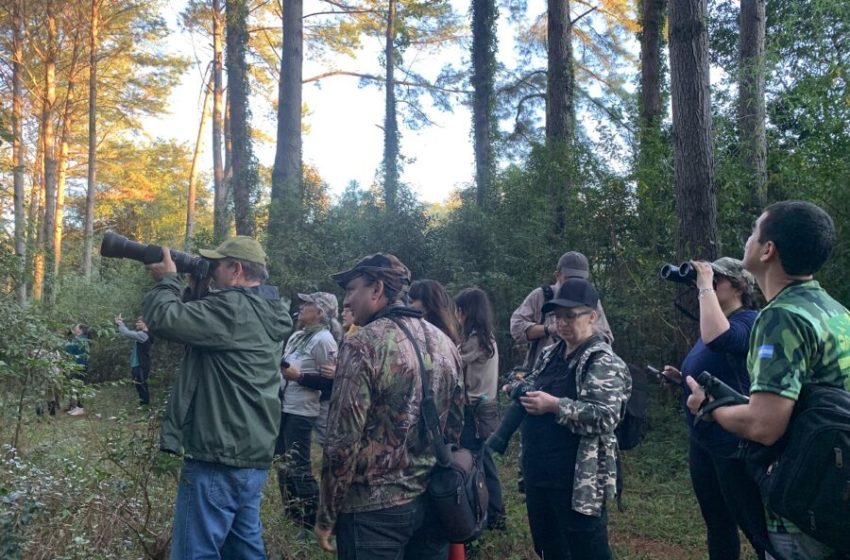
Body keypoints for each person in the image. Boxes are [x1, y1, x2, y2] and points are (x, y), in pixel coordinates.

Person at [686, 201, 850, 560]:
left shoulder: (780, 319)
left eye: (753, 232)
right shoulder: (837, 312)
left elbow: (765, 426)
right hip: (838, 490)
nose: (747, 240)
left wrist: (709, 408)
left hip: (803, 505)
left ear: (767, 250)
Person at [143, 236, 292, 560]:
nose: (211, 273)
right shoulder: (267, 310)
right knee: (244, 550)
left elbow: (165, 319)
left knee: (194, 552)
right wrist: (196, 287)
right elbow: (205, 328)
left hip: (217, 454)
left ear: (236, 269)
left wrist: (168, 280)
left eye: (217, 266)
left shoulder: (232, 308)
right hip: (252, 455)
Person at [315, 253, 465, 559]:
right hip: (431, 503)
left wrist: (326, 515)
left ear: (377, 289)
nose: (347, 300)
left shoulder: (362, 344)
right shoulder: (445, 343)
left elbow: (342, 442)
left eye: (352, 289)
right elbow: (455, 426)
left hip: (372, 513)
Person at [515, 278, 631, 560]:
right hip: (539, 473)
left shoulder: (602, 361)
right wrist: (517, 386)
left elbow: (605, 417)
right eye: (557, 316)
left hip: (578, 480)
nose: (562, 323)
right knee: (549, 548)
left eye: (570, 315)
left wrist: (554, 405)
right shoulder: (550, 353)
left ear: (592, 316)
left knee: (586, 549)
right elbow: (531, 380)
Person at [662, 258, 770, 559]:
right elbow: (716, 366)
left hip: (733, 442)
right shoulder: (716, 320)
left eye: (715, 280)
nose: (706, 285)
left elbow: (719, 338)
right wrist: (680, 379)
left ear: (738, 286)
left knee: (754, 525)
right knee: (718, 523)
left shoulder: (751, 320)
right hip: (705, 440)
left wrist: (703, 284)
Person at [277, 291, 339, 531]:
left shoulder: (324, 340)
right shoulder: (298, 336)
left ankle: (312, 522)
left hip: (303, 411)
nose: (301, 307)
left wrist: (300, 377)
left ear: (320, 312)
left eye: (308, 304)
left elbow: (331, 382)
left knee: (299, 466)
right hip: (283, 406)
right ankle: (292, 516)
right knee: (283, 463)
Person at [454, 287, 505, 530]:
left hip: (473, 411)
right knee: (486, 462)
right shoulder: (487, 337)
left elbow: (451, 360)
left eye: (458, 311)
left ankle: (484, 516)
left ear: (464, 311)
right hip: (486, 408)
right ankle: (496, 515)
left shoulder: (474, 340)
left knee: (474, 464)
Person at [510, 251, 613, 370]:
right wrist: (547, 329)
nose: (575, 282)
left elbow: (606, 338)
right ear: (557, 275)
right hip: (541, 371)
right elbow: (516, 328)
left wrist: (579, 332)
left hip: (577, 372)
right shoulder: (541, 296)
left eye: (580, 278)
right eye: (569, 278)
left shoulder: (590, 301)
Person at [115, 314, 153, 406]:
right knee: (138, 384)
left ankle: (145, 405)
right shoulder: (141, 334)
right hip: (137, 364)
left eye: (139, 322)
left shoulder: (143, 335)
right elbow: (129, 332)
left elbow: (128, 333)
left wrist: (120, 323)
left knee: (142, 384)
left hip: (141, 364)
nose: (137, 323)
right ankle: (142, 404)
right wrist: (121, 324)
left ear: (145, 324)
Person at [409, 279, 462, 344]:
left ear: (427, 303)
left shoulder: (430, 335)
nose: (409, 306)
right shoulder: (447, 334)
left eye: (411, 301)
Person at [65, 323, 90, 416]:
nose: (74, 330)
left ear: (80, 330)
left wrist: (63, 342)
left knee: (79, 386)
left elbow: (69, 347)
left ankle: (80, 407)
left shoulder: (81, 340)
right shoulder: (81, 339)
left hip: (79, 366)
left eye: (76, 328)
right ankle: (76, 407)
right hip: (77, 365)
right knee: (76, 386)